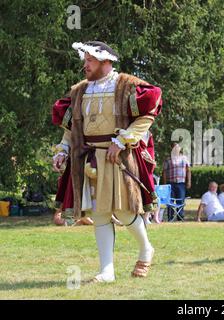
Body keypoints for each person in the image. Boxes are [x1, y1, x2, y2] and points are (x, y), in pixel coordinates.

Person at [51, 41, 162, 282]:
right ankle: (107, 271)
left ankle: (146, 249)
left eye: (89, 60)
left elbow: (147, 115)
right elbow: (72, 129)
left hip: (118, 156)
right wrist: (62, 150)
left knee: (124, 211)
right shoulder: (80, 90)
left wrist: (122, 141)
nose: (85, 65)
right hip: (89, 159)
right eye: (85, 60)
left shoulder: (127, 85)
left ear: (105, 61)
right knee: (99, 214)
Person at [162, 142, 191, 221]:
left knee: (180, 200)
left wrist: (189, 181)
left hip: (181, 183)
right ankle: (170, 217)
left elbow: (188, 170)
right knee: (170, 200)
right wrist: (164, 184)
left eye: (177, 147)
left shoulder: (184, 158)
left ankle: (180, 217)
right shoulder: (168, 159)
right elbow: (164, 172)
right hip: (170, 183)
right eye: (174, 147)